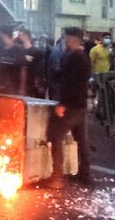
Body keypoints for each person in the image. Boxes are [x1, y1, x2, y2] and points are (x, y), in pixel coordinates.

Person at [38, 27, 92, 189]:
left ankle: (57, 177)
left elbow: (71, 83)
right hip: (81, 104)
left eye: (66, 38)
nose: (64, 41)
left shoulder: (74, 57)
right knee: (81, 139)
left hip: (71, 105)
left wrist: (63, 104)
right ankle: (85, 174)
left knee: (55, 136)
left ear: (73, 39)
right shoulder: (83, 56)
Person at [0, 26, 26, 95]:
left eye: (1, 35)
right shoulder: (0, 49)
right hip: (0, 86)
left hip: (14, 86)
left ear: (5, 35)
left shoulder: (18, 50)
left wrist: (22, 88)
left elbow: (23, 70)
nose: (0, 37)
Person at [18, 29, 47, 98]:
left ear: (27, 36)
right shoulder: (19, 50)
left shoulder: (35, 51)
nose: (18, 37)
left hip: (31, 83)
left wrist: (39, 84)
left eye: (20, 35)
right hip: (20, 82)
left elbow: (40, 69)